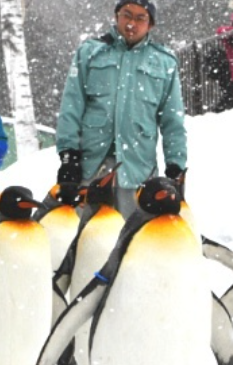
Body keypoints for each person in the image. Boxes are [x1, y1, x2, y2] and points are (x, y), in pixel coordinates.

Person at [55, 0, 187, 218]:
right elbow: (71, 106)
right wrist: (69, 157)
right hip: (90, 168)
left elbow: (173, 121)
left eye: (140, 18)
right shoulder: (90, 53)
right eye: (126, 15)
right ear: (116, 16)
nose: (131, 24)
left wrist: (176, 167)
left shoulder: (164, 62)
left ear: (151, 24)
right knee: (83, 240)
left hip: (138, 170)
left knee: (131, 242)